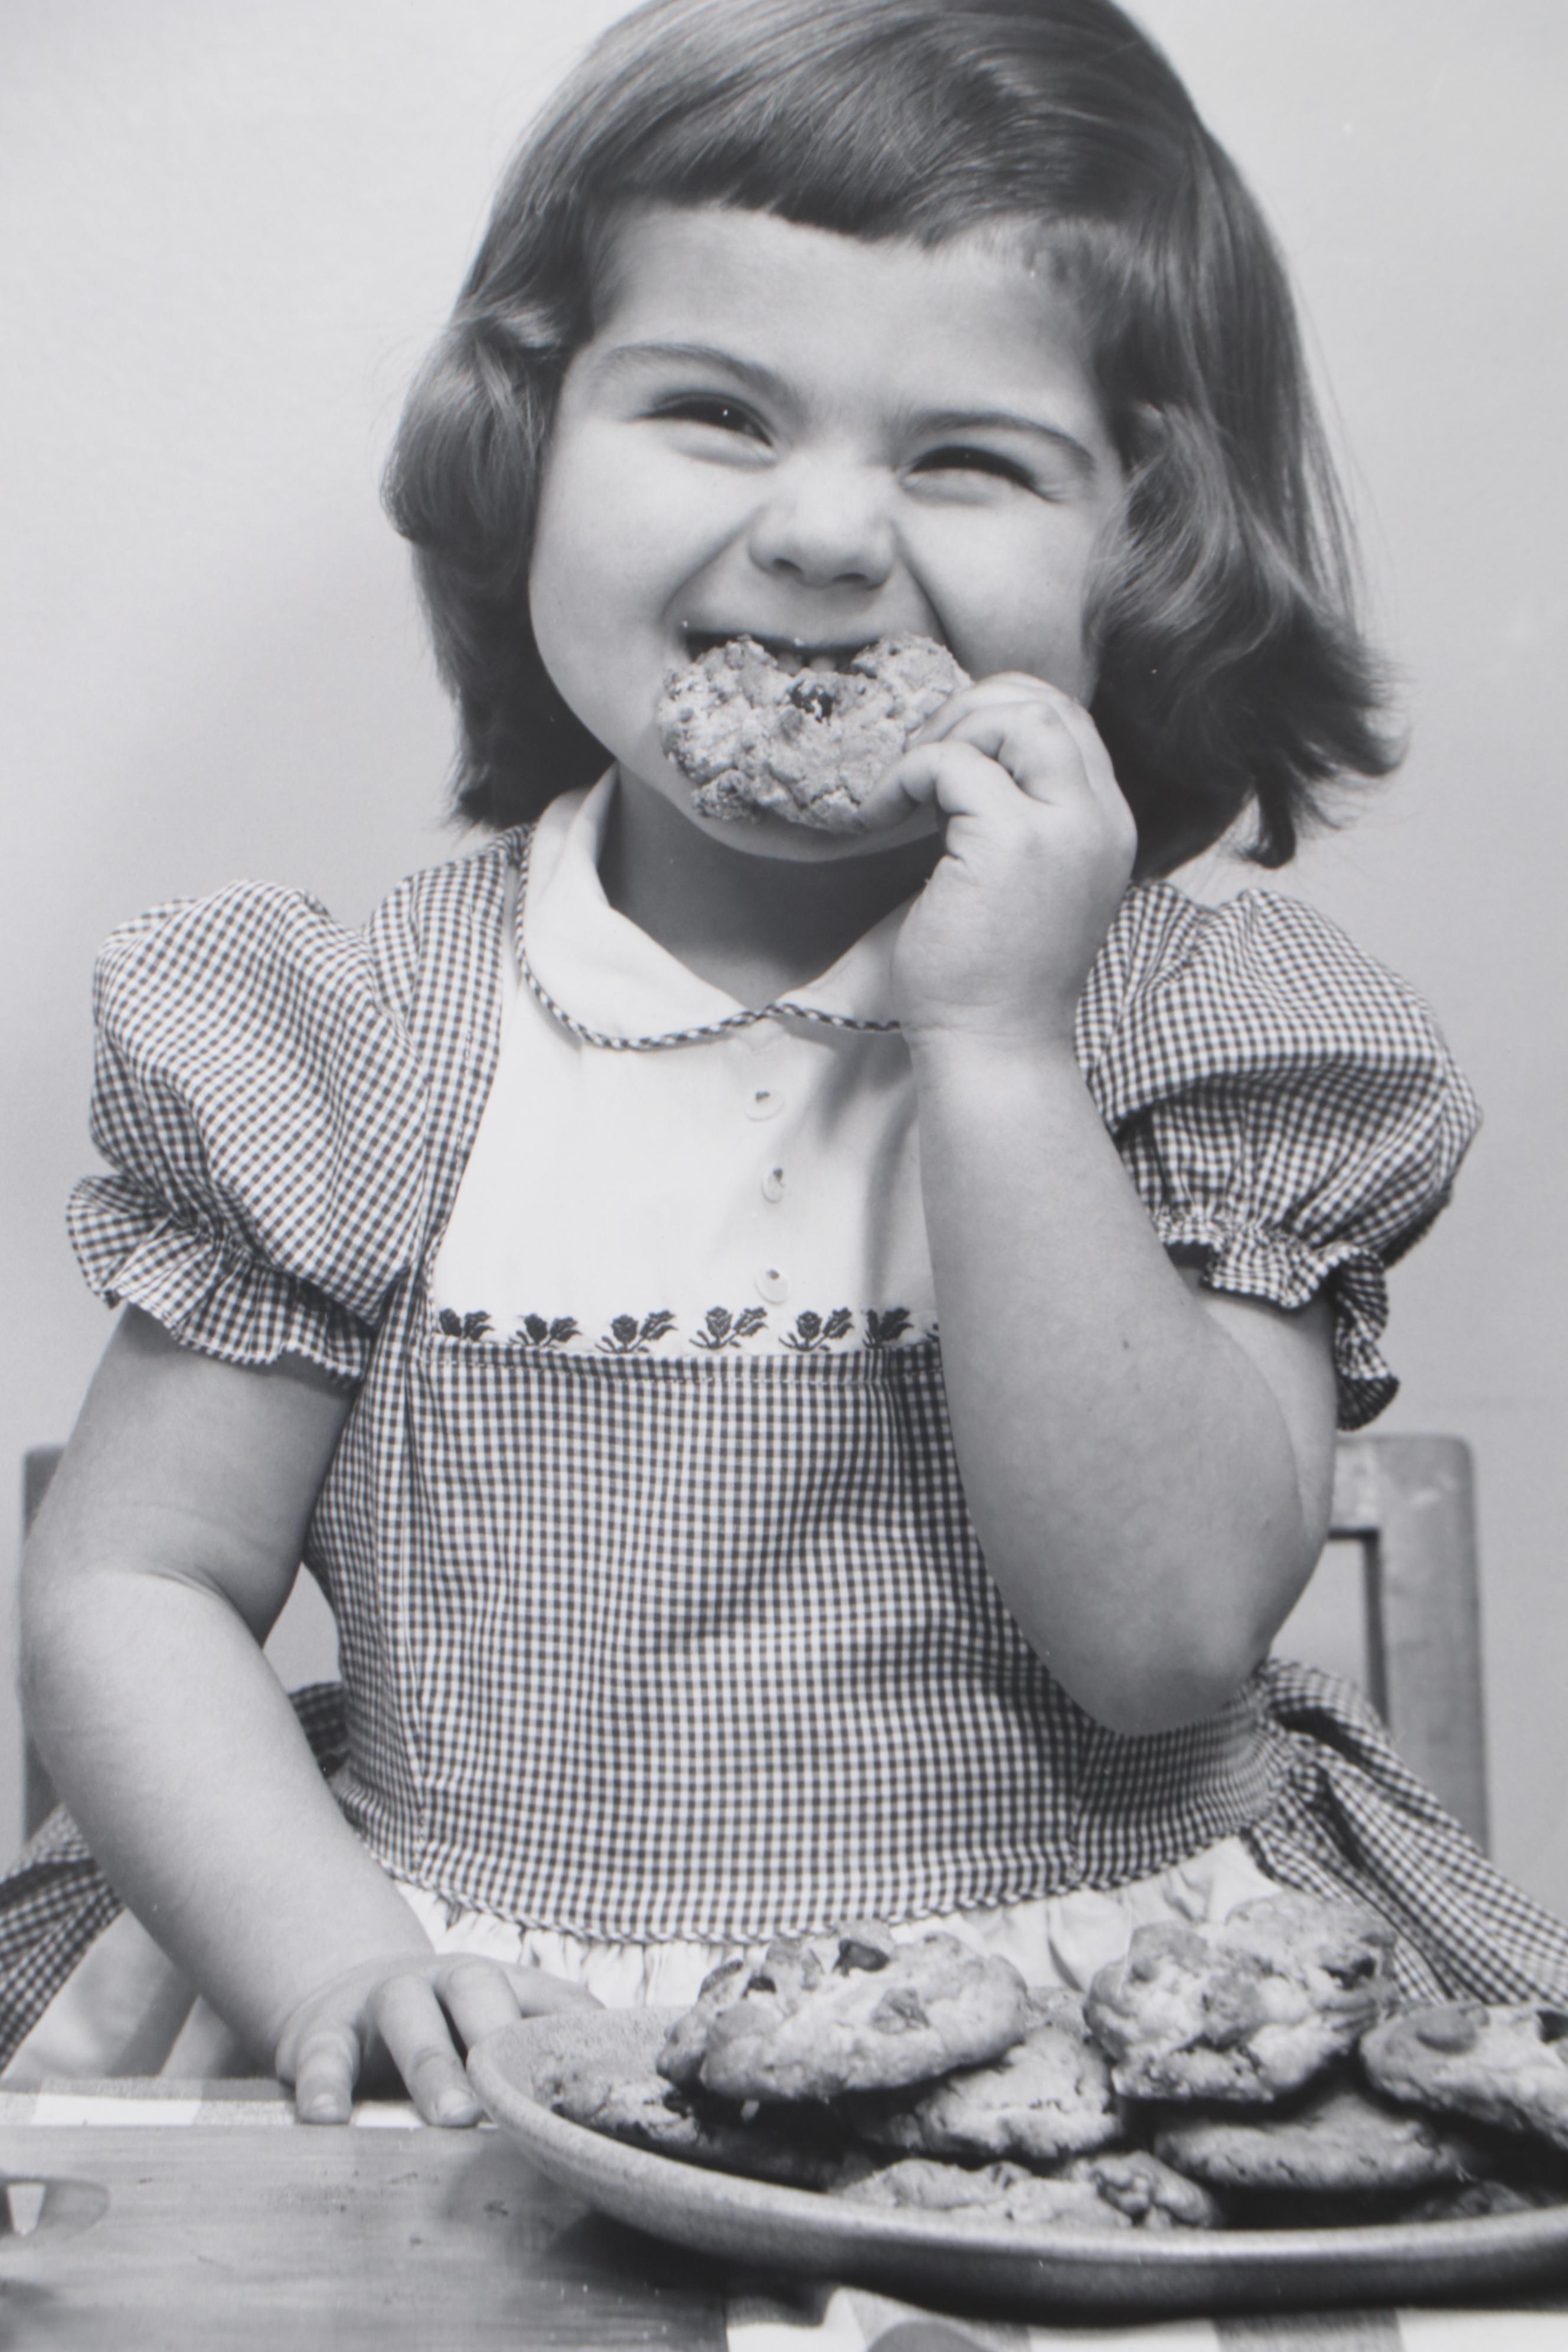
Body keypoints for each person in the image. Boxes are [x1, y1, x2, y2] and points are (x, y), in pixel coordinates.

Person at [8, 0, 1568, 2125]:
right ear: (528, 440)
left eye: (967, 456)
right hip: (478, 2029)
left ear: (1145, 541)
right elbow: (139, 1577)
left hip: (1085, 2029)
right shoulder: (356, 1044)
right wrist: (341, 1961)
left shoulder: (1200, 1039)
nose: (830, 534)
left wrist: (1001, 1047)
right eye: (720, 412)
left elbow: (1166, 1633)